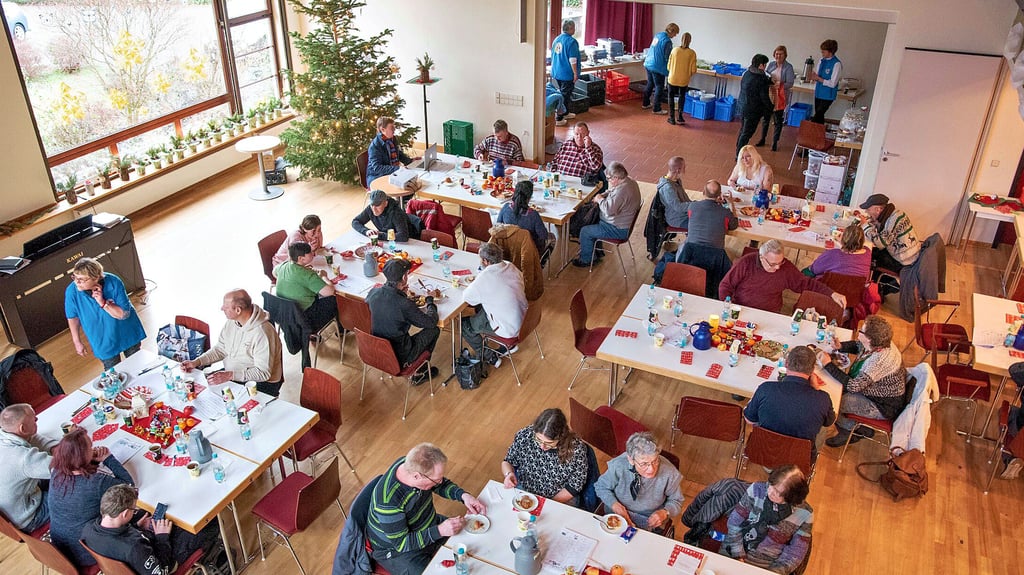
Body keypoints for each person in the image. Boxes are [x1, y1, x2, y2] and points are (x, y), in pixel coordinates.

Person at [367, 443, 486, 575]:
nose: (440, 482)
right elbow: (402, 544)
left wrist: (463, 496)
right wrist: (440, 530)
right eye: (436, 480)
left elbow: (440, 484)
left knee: (474, 542)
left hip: (428, 524)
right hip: (399, 551)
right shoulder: (388, 503)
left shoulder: (411, 465)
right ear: (417, 476)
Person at [81, 484, 220, 575]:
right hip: (164, 561)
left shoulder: (88, 529)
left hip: (130, 558)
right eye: (133, 509)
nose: (134, 511)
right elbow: (162, 571)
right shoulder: (134, 547)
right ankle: (211, 556)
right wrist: (162, 537)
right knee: (209, 522)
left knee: (154, 517)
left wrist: (136, 527)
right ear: (124, 514)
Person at [48, 427, 134, 567]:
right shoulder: (95, 482)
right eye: (90, 447)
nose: (93, 449)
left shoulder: (57, 470)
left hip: (59, 549)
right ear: (81, 456)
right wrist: (107, 458)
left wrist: (91, 461)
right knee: (132, 511)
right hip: (86, 552)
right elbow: (129, 486)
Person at [821, 315, 908, 447]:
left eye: (861, 331)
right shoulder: (880, 344)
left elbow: (853, 386)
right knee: (838, 389)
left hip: (883, 405)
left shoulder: (880, 360)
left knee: (835, 403)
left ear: (869, 339)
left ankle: (849, 432)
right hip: (874, 392)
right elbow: (859, 346)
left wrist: (828, 364)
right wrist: (840, 346)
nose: (858, 332)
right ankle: (860, 429)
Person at [181, 289, 284, 396]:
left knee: (224, 403)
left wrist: (230, 375)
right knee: (203, 392)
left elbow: (263, 373)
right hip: (235, 374)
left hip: (261, 382)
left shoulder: (262, 333)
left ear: (238, 310)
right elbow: (221, 349)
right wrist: (197, 362)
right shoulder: (233, 322)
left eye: (225, 307)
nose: (222, 308)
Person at [744, 346, 837, 458]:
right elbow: (829, 422)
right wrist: (817, 389)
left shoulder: (765, 389)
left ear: (786, 364)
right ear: (812, 371)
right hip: (799, 459)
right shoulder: (823, 399)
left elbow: (749, 419)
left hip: (763, 451)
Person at [720, 465, 813, 574]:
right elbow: (734, 522)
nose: (770, 491)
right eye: (771, 485)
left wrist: (773, 572)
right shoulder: (757, 490)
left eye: (778, 492)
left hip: (766, 564)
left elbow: (796, 552)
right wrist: (738, 554)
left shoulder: (805, 514)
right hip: (733, 548)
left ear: (791, 497)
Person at [719, 240, 846, 314]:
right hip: (741, 309)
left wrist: (832, 293)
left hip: (770, 314)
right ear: (762, 258)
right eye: (773, 264)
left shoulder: (786, 268)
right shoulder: (746, 262)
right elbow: (726, 285)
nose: (778, 268)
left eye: (781, 262)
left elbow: (806, 284)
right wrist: (728, 305)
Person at [366, 259, 440, 386]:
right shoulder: (404, 304)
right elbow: (431, 322)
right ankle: (419, 372)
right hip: (399, 355)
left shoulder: (373, 293)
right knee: (434, 330)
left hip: (377, 350)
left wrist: (401, 294)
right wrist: (430, 301)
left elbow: (384, 305)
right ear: (404, 277)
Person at [594, 432, 684, 535]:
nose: (651, 469)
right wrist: (615, 505)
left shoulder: (670, 473)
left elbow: (677, 501)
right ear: (631, 460)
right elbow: (601, 487)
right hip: (617, 514)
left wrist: (664, 512)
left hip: (649, 520)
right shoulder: (619, 465)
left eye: (655, 461)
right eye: (644, 464)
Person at [65, 257, 146, 370]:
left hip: (127, 332)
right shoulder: (72, 291)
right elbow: (72, 317)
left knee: (137, 367)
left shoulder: (114, 281)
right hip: (102, 339)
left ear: (96, 278)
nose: (76, 282)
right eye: (75, 277)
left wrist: (103, 303)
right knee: (114, 375)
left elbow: (123, 314)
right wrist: (77, 341)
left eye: (82, 279)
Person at [501, 408, 589, 505]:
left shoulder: (576, 449)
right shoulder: (525, 435)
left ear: (561, 436)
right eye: (538, 439)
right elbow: (508, 461)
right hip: (525, 490)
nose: (542, 446)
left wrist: (548, 503)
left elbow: (574, 486)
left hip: (559, 497)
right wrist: (508, 474)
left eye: (549, 443)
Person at [461, 243, 527, 367]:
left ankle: (489, 356)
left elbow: (467, 298)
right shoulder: (511, 266)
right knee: (484, 307)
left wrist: (478, 281)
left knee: (465, 325)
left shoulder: (485, 278)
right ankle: (508, 346)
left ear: (485, 261)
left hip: (509, 328)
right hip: (525, 319)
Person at [0, 404, 58, 532]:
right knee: (75, 488)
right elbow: (62, 467)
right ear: (22, 428)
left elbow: (32, 437)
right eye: (34, 419)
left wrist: (53, 447)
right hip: (28, 517)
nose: (37, 420)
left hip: (10, 512)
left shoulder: (5, 435)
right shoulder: (24, 458)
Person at [572, 161, 641, 268]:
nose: (608, 180)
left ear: (616, 178)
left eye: (609, 178)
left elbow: (608, 210)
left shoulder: (622, 191)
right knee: (592, 221)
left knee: (585, 231)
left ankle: (586, 260)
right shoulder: (629, 181)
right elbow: (612, 191)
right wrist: (603, 195)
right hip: (623, 223)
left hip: (617, 229)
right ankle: (596, 252)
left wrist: (599, 200)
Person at [273, 242, 338, 332]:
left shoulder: (284, 266)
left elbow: (274, 272)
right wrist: (324, 277)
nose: (313, 253)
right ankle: (342, 330)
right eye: (310, 253)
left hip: (288, 316)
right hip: (307, 318)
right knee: (336, 300)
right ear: (301, 258)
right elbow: (330, 292)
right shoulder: (307, 275)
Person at [857, 193, 921, 274]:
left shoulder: (893, 220)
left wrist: (865, 226)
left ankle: (870, 281)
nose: (866, 212)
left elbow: (880, 244)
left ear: (878, 209)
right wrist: (877, 224)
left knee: (867, 256)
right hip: (910, 255)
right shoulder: (896, 213)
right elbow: (887, 234)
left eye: (868, 209)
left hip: (904, 262)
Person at [678, 180, 738, 252]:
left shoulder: (692, 206)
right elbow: (734, 225)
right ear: (719, 195)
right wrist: (731, 204)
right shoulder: (725, 213)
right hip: (714, 255)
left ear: (703, 192)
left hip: (690, 252)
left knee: (681, 246)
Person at [498, 180, 551, 257]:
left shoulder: (506, 208)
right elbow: (544, 235)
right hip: (529, 251)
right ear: (529, 197)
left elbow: (498, 226)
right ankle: (538, 264)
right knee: (552, 238)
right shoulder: (533, 215)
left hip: (509, 248)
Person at [758, 45, 795, 151]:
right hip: (769, 94)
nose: (778, 56)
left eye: (781, 54)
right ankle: (762, 139)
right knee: (766, 119)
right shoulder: (771, 64)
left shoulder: (788, 67)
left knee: (778, 120)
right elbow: (766, 75)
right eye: (776, 54)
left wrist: (781, 84)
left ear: (785, 55)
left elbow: (790, 83)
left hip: (780, 96)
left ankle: (775, 142)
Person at [735, 54, 773, 156]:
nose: (765, 67)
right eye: (765, 64)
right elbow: (764, 97)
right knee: (747, 133)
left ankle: (738, 149)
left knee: (743, 130)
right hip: (753, 110)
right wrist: (771, 107)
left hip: (742, 106)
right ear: (761, 65)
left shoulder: (747, 73)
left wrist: (768, 82)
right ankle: (739, 155)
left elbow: (752, 87)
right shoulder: (761, 78)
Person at [803, 223, 871, 279]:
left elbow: (814, 269)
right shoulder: (868, 253)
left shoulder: (833, 254)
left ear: (843, 239)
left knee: (806, 272)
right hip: (854, 292)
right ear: (862, 241)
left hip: (829, 290)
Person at [353, 189, 420, 242]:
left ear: (385, 203)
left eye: (377, 205)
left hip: (410, 240)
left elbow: (403, 236)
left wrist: (380, 235)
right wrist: (366, 231)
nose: (374, 209)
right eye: (372, 205)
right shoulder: (370, 209)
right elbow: (355, 222)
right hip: (390, 240)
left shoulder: (396, 213)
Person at [642, 23, 678, 115]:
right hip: (657, 66)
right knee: (659, 86)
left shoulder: (658, 36)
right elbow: (667, 57)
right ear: (672, 31)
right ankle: (656, 108)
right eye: (675, 33)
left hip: (648, 62)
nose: (675, 36)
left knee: (650, 83)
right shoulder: (667, 41)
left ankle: (645, 103)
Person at [367, 116, 414, 183]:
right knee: (406, 185)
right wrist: (398, 168)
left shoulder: (392, 139)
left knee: (411, 180)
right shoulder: (375, 146)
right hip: (377, 177)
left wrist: (411, 161)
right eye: (392, 128)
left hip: (391, 173)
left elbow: (398, 154)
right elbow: (377, 168)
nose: (394, 130)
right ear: (383, 130)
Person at [550, 20, 580, 124]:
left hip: (556, 72)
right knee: (564, 95)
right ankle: (559, 117)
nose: (575, 29)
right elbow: (573, 60)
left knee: (565, 94)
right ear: (571, 28)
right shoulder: (571, 42)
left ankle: (566, 112)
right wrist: (575, 73)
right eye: (574, 27)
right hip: (566, 73)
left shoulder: (557, 39)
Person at [666, 32, 697, 125]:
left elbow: (668, 66)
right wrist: (687, 74)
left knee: (670, 97)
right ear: (690, 41)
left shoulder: (674, 50)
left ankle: (671, 118)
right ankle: (680, 116)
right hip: (684, 80)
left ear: (681, 39)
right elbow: (693, 70)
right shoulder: (692, 53)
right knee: (681, 96)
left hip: (672, 78)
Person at [809, 39, 842, 124]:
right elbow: (817, 73)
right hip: (819, 92)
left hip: (828, 94)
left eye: (824, 52)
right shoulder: (821, 60)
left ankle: (809, 130)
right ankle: (818, 134)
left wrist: (819, 79)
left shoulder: (836, 64)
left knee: (819, 113)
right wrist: (813, 75)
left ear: (830, 52)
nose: (822, 53)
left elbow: (833, 83)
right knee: (819, 115)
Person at [658, 156, 692, 229]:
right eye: (684, 168)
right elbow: (678, 207)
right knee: (702, 224)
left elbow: (685, 200)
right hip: (677, 219)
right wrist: (695, 205)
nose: (685, 170)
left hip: (684, 213)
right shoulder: (668, 188)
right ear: (678, 170)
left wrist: (699, 205)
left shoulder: (677, 180)